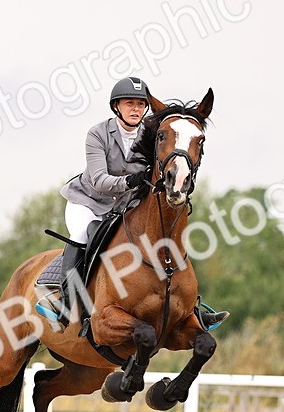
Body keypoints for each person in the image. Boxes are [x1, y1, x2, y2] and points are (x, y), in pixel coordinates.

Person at [44, 76, 226, 330]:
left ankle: (188, 309)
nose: (136, 109)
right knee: (82, 235)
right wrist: (131, 181)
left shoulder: (156, 136)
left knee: (163, 238)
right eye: (129, 103)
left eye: (140, 105)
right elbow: (98, 180)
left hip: (127, 205)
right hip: (89, 202)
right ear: (116, 107)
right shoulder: (97, 134)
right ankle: (67, 301)